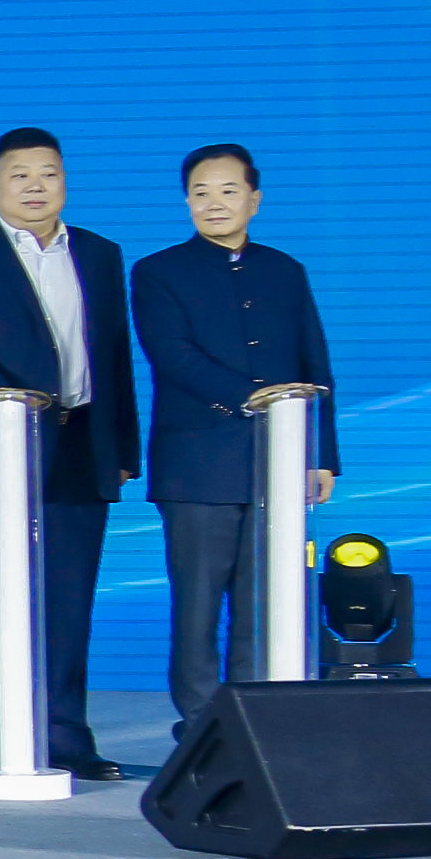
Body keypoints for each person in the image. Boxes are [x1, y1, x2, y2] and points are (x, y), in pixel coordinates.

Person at [0, 125, 140, 778]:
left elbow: (114, 357)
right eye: (20, 175)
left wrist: (123, 447)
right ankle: (0, 736)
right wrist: (9, 405)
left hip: (81, 445)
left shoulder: (99, 254)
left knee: (69, 605)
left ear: (64, 181)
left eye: (48, 173)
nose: (35, 186)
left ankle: (66, 739)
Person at [132, 142, 339, 724]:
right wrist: (253, 396)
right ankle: (201, 727)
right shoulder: (158, 272)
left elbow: (315, 364)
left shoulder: (284, 271)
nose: (214, 203)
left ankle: (255, 723)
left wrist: (322, 455)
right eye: (200, 193)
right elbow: (172, 355)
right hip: (196, 466)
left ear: (254, 199)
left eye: (228, 191)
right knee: (196, 608)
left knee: (262, 605)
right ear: (186, 202)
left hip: (278, 464)